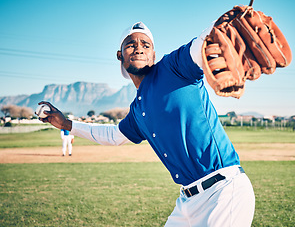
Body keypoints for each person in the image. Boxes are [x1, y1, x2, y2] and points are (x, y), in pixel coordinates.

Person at [39, 21, 255, 226]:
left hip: (223, 192)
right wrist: (67, 123)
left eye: (146, 45)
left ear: (153, 53)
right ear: (119, 55)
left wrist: (226, 21)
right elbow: (114, 136)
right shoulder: (138, 109)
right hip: (187, 201)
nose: (139, 48)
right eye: (131, 44)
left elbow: (202, 43)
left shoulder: (174, 68)